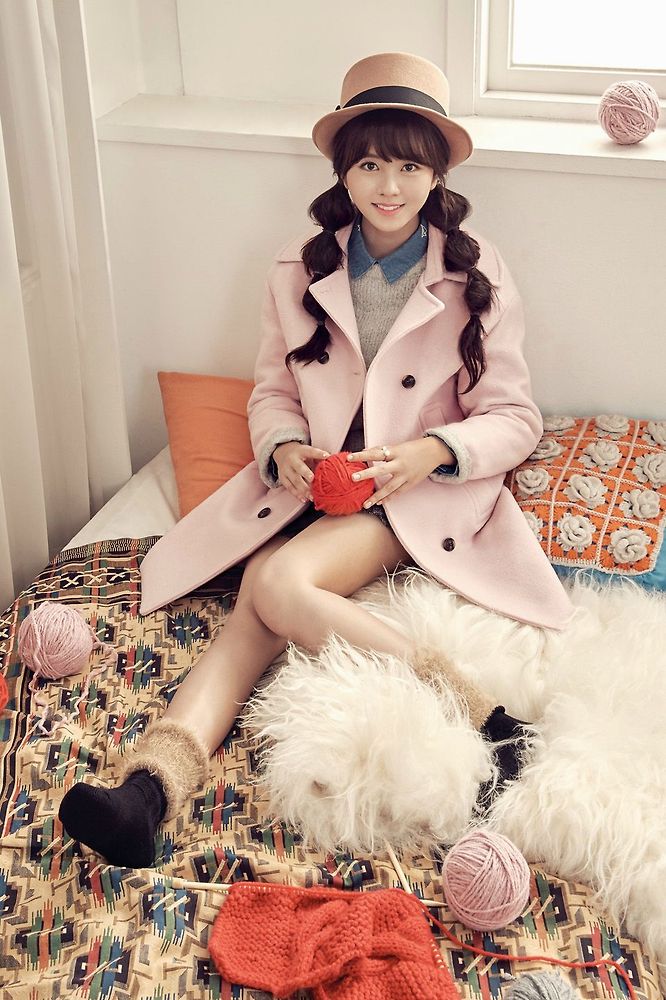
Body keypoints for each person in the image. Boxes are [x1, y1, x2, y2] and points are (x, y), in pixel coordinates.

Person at [59, 52, 573, 868]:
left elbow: (516, 418)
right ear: (343, 170)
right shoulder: (299, 267)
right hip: (315, 491)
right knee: (254, 612)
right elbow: (272, 391)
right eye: (370, 165)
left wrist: (430, 452)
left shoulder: (477, 274)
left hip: (409, 498)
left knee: (275, 584)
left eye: (409, 167)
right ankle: (148, 792)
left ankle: (485, 716)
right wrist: (284, 446)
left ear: (436, 174)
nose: (389, 187)